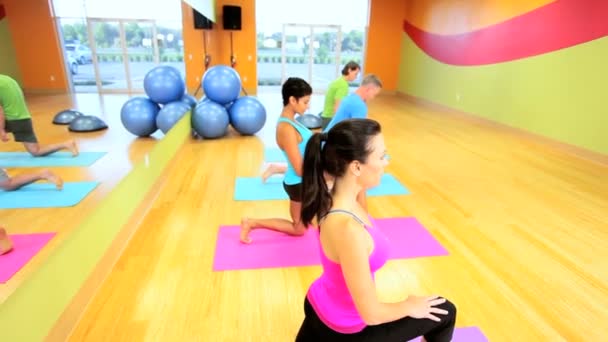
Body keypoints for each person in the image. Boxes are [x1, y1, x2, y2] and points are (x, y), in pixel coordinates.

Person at [295, 118, 457, 341]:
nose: (386, 163)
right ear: (356, 166)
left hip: (320, 303)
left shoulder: (335, 196)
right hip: (344, 330)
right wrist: (407, 305)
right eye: (381, 156)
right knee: (445, 312)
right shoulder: (347, 229)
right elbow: (371, 314)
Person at [240, 77, 313, 244]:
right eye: (305, 102)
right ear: (292, 100)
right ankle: (251, 222)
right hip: (298, 184)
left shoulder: (293, 121)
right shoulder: (286, 128)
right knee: (299, 228)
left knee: (309, 221)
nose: (308, 106)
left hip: (303, 180)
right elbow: (300, 169)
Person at [0, 74, 79, 157]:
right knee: (36, 151)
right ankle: (66, 144)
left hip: (12, 121)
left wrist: (1, 130)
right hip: (24, 119)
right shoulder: (7, 79)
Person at [320, 61, 361, 130]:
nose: (356, 77)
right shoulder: (343, 85)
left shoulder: (339, 81)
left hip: (326, 117)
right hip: (330, 119)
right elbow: (337, 107)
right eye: (355, 74)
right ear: (349, 70)